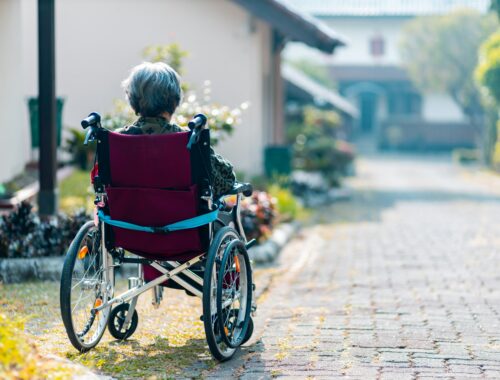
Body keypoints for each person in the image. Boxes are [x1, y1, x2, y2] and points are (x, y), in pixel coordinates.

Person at [119, 62, 236, 198]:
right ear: (174, 101)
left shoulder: (116, 141)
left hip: (128, 216)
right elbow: (226, 180)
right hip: (182, 218)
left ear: (133, 100)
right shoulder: (189, 139)